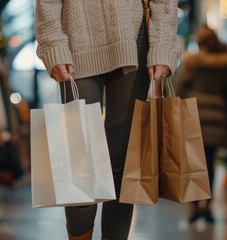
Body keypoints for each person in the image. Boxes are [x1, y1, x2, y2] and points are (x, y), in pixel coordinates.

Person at [35, 0, 182, 239]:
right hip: (75, 38)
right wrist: (52, 42)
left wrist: (163, 45)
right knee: (79, 161)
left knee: (124, 160)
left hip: (135, 37)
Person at [175, 25, 227, 223]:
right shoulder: (225, 64)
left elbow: (179, 88)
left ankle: (194, 208)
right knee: (210, 164)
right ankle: (208, 207)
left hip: (194, 117)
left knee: (194, 166)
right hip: (216, 120)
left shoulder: (192, 64)